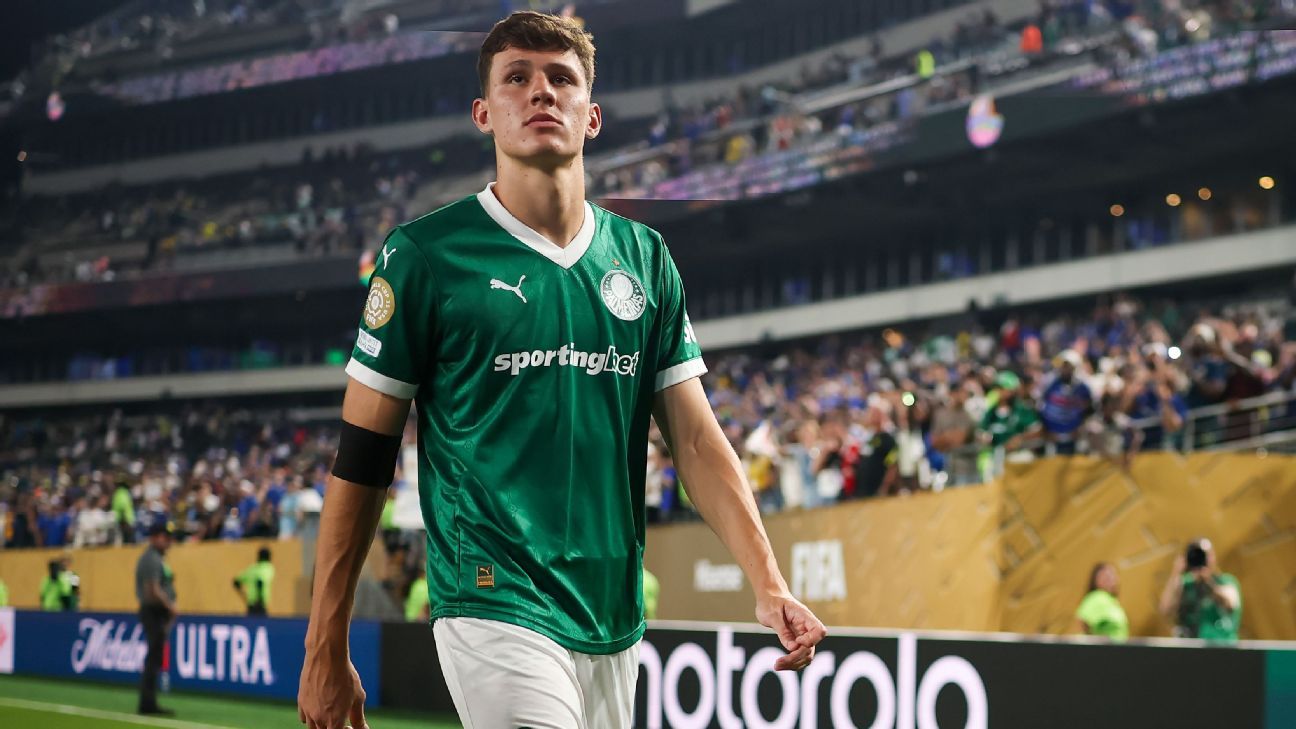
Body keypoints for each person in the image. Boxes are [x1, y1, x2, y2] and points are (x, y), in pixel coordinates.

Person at [297, 12, 826, 729]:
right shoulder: (424, 256)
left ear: (592, 115)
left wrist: (768, 582)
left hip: (611, 615)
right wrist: (325, 644)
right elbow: (362, 458)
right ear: (484, 113)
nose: (540, 92)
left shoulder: (644, 258)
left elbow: (699, 443)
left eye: (561, 79)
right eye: (516, 78)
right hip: (492, 596)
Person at [1158, 538, 1242, 642]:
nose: (1200, 559)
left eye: (1204, 555)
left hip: (1222, 644)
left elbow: (1231, 604)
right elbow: (1165, 609)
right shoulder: (1185, 584)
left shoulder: (1226, 581)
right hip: (1191, 646)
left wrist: (1208, 582)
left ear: (1213, 556)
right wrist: (1176, 572)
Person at [136, 521, 178, 716]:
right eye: (165, 537)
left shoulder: (156, 558)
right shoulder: (151, 558)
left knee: (155, 657)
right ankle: (147, 703)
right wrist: (170, 607)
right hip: (153, 611)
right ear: (154, 538)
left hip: (157, 611)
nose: (169, 541)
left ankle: (149, 701)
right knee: (153, 658)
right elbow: (152, 589)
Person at [1075, 562, 1129, 641]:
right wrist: (1097, 642)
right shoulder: (1097, 597)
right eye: (1107, 577)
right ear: (1096, 580)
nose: (1112, 580)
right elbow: (1082, 620)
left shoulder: (1111, 600)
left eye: (1113, 575)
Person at [233, 546, 275, 616]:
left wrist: (244, 596)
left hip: (251, 605)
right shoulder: (268, 568)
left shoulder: (252, 568)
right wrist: (259, 600)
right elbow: (260, 582)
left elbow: (236, 582)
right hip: (260, 606)